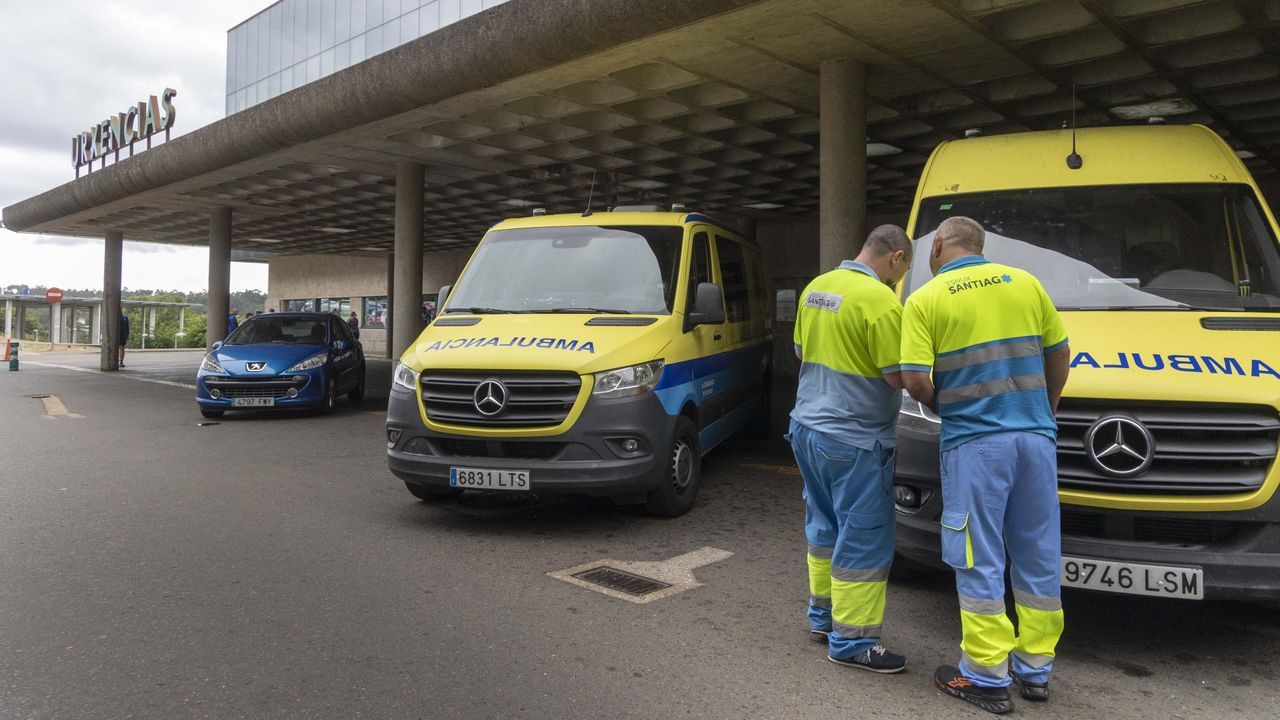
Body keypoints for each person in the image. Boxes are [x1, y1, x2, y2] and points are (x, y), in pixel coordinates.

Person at [899, 217, 1071, 714]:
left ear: (937, 247)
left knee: (977, 555)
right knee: (1038, 553)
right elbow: (1060, 355)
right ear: (980, 247)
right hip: (1035, 442)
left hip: (975, 445)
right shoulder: (1026, 283)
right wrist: (1045, 412)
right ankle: (1035, 669)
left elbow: (913, 378)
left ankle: (986, 676)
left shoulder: (927, 298)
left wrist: (947, 407)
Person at [789, 224, 914, 673]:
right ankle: (853, 641)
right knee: (864, 538)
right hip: (856, 438)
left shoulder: (816, 287)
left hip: (806, 429)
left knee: (824, 527)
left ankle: (823, 617)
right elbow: (898, 375)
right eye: (902, 270)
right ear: (896, 258)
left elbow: (802, 352)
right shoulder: (882, 301)